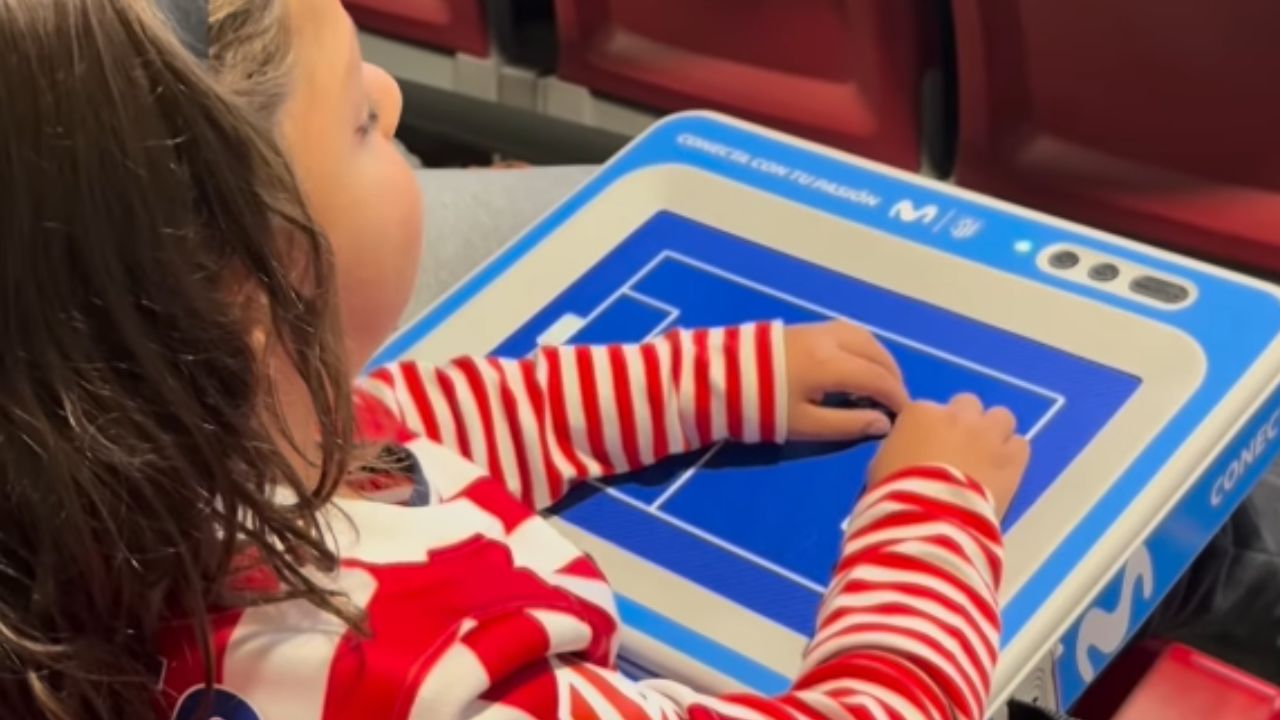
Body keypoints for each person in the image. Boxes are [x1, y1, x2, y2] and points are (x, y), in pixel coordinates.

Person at [0, 1, 1030, 718]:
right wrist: (932, 507)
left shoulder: (133, 457)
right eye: (358, 122)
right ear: (236, 289)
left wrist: (719, 380)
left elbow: (425, 424)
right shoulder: (431, 682)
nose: (395, 103)